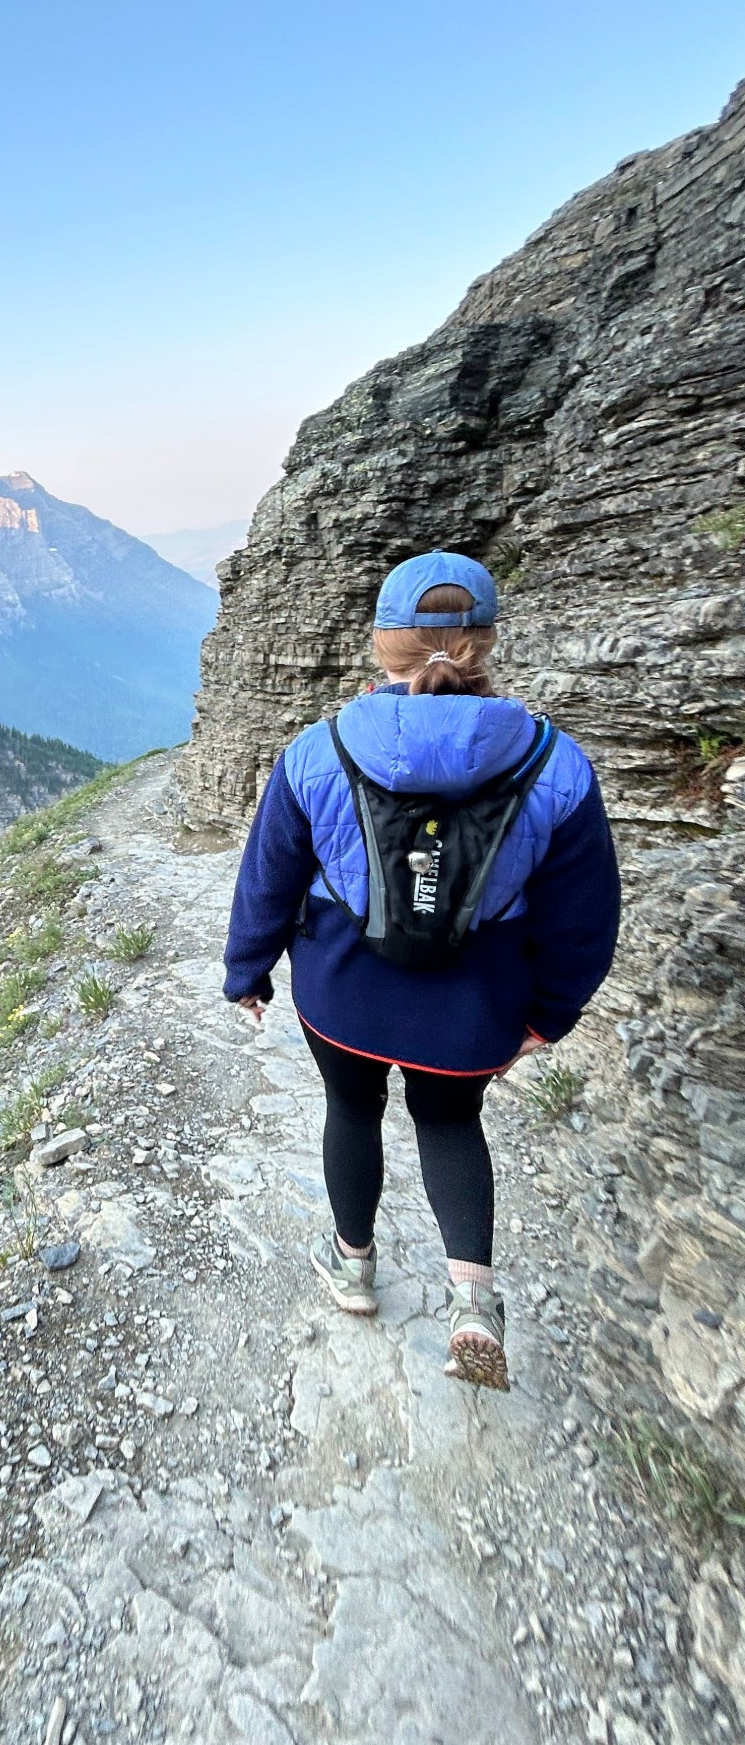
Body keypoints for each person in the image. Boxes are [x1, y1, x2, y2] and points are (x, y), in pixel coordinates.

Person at [221, 551, 620, 1390]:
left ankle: (356, 1269)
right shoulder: (556, 764)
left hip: (343, 992)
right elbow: (582, 918)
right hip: (473, 1008)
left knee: (350, 1108)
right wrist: (551, 1015)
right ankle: (473, 1299)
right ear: (487, 642)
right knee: (449, 1122)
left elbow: (269, 877)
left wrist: (248, 972)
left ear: (380, 647)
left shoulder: (317, 751)